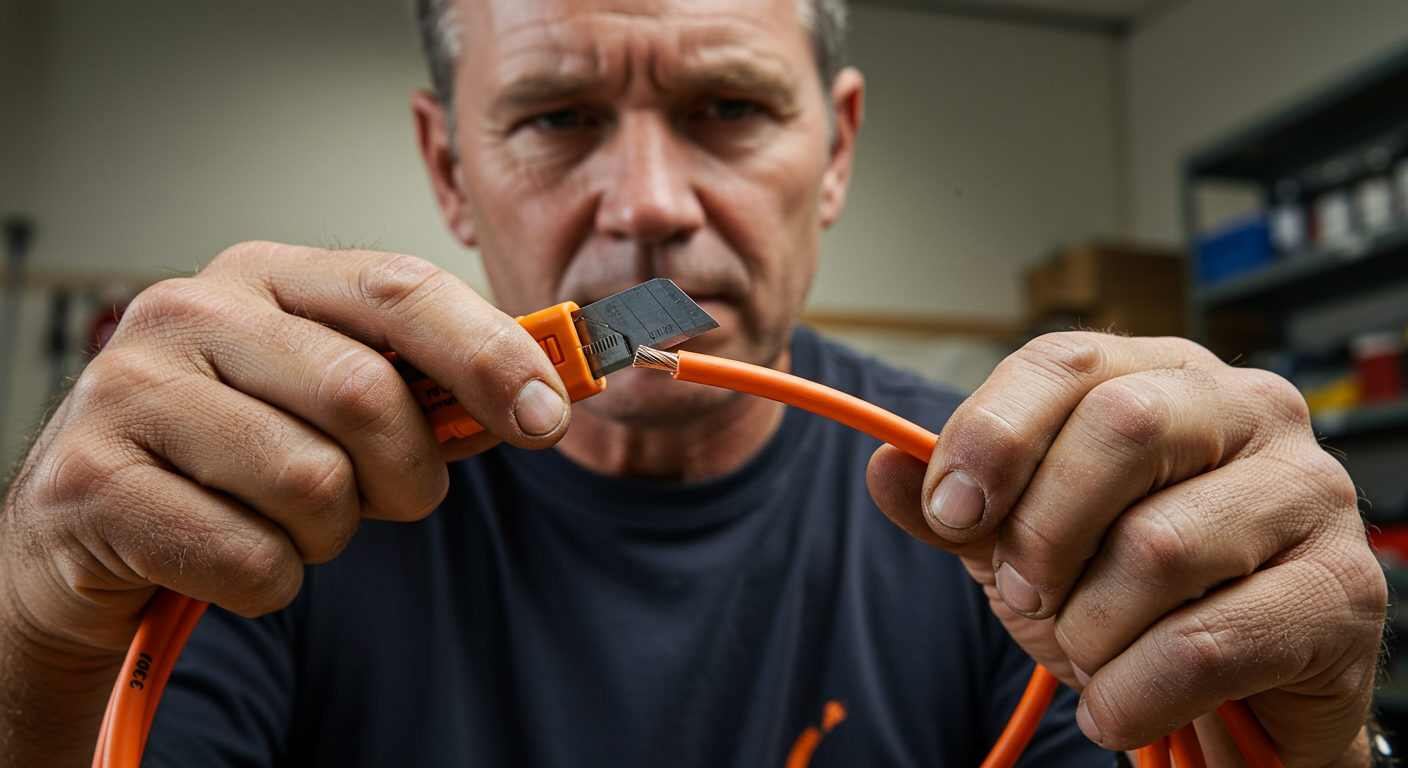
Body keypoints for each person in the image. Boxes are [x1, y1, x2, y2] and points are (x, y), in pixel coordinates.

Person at [0, 0, 1386, 765]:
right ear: (448, 171)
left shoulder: (1000, 511)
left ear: (833, 151)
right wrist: (31, 653)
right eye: (555, 118)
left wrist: (1310, 761)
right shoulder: (283, 507)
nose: (650, 206)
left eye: (728, 107)